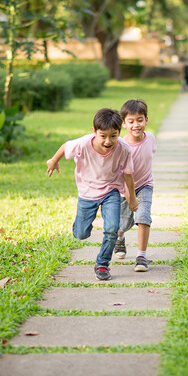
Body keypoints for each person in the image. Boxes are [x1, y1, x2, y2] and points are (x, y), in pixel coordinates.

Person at [46, 108, 139, 280]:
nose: (108, 141)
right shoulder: (83, 144)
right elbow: (66, 146)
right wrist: (53, 160)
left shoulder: (124, 149)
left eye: (113, 135)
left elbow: (128, 175)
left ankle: (102, 264)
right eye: (103, 135)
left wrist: (132, 198)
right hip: (87, 191)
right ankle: (79, 226)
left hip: (111, 189)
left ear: (119, 132)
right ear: (94, 132)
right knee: (81, 234)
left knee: (112, 228)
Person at [114, 99, 156, 272]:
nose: (136, 125)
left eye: (140, 120)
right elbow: (118, 173)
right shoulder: (121, 145)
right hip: (124, 189)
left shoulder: (151, 138)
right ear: (124, 123)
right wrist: (128, 194)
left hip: (145, 185)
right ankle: (120, 238)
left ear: (147, 120)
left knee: (143, 217)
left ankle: (141, 256)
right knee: (123, 223)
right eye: (131, 121)